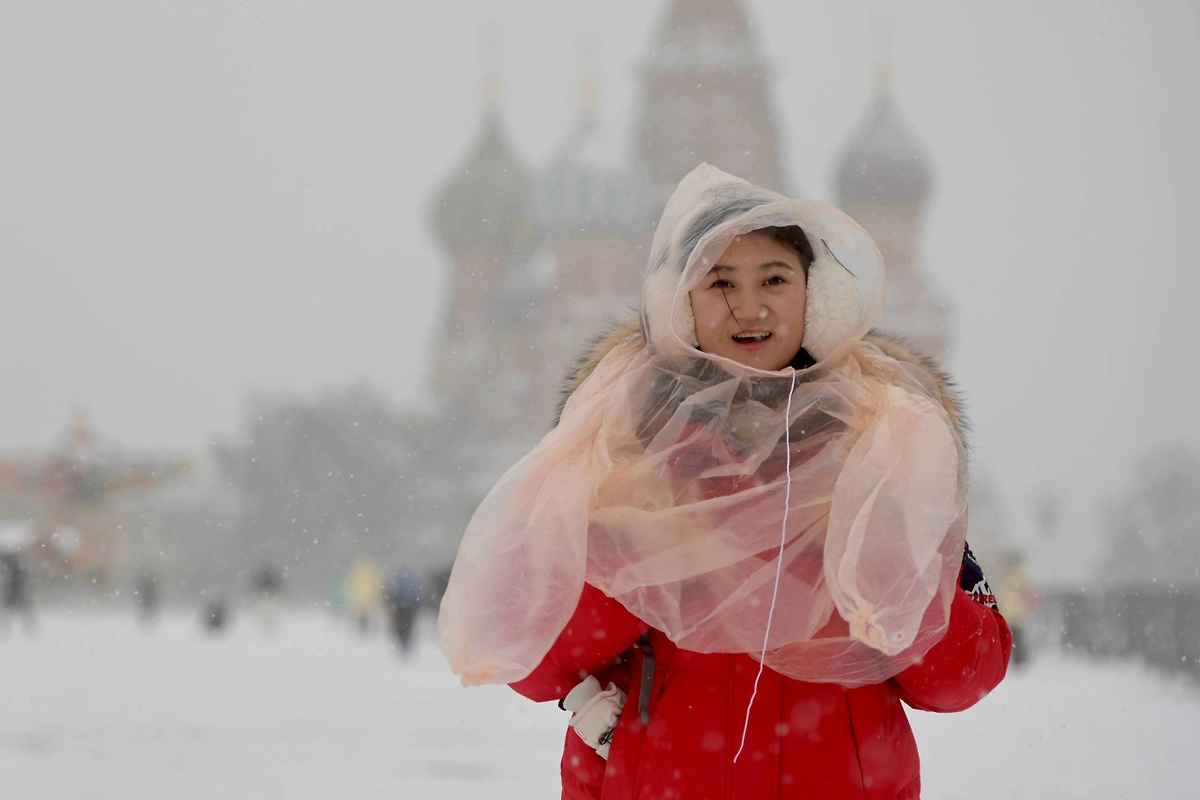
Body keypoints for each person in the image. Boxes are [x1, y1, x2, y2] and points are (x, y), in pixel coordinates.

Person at [438, 164, 1011, 799]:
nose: (750, 305)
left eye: (774, 278)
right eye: (720, 282)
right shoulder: (624, 439)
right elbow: (534, 653)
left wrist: (877, 571)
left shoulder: (884, 446)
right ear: (681, 298)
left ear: (812, 298)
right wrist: (661, 547)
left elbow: (963, 677)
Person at [384, 565, 424, 656]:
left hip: (399, 606)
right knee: (408, 625)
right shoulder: (412, 579)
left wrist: (392, 602)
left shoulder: (398, 579)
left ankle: (402, 643)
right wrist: (417, 604)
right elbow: (416, 592)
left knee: (400, 625)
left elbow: (392, 591)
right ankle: (406, 643)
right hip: (409, 607)